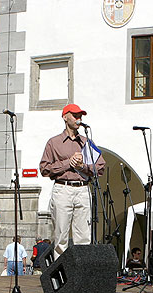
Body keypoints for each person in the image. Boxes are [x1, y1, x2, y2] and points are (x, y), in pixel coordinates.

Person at [40, 103, 106, 258]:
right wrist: (67, 163)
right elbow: (44, 168)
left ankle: (82, 273)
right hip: (63, 189)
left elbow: (100, 167)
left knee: (84, 235)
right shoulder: (54, 142)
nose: (79, 118)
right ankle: (61, 275)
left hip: (83, 189)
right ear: (65, 117)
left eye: (80, 116)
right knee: (61, 235)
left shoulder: (86, 141)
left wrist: (82, 166)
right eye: (75, 115)